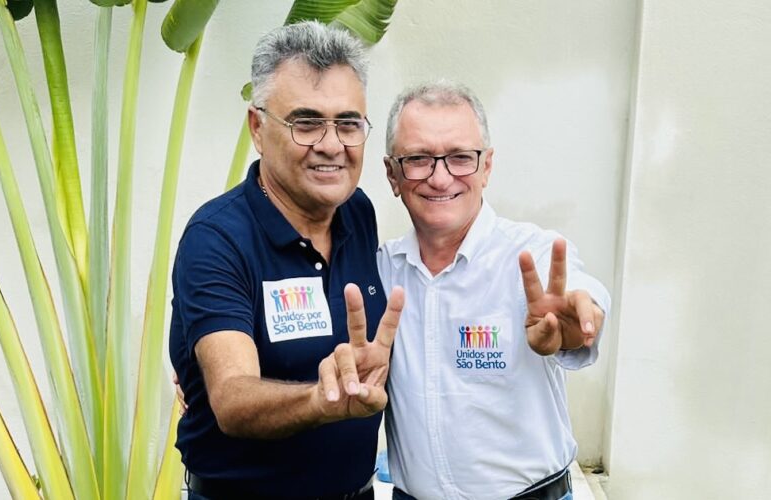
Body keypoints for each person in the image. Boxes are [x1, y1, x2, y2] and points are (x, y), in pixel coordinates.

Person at [168, 21, 404, 500]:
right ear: (258, 128)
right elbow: (232, 397)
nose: (331, 145)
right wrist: (320, 399)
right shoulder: (217, 239)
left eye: (348, 123)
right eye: (306, 123)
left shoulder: (356, 212)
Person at [377, 81, 611, 500]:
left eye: (460, 157)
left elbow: (576, 298)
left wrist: (573, 325)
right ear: (393, 174)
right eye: (418, 159)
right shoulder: (381, 270)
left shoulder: (531, 255)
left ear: (486, 167)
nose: (440, 177)